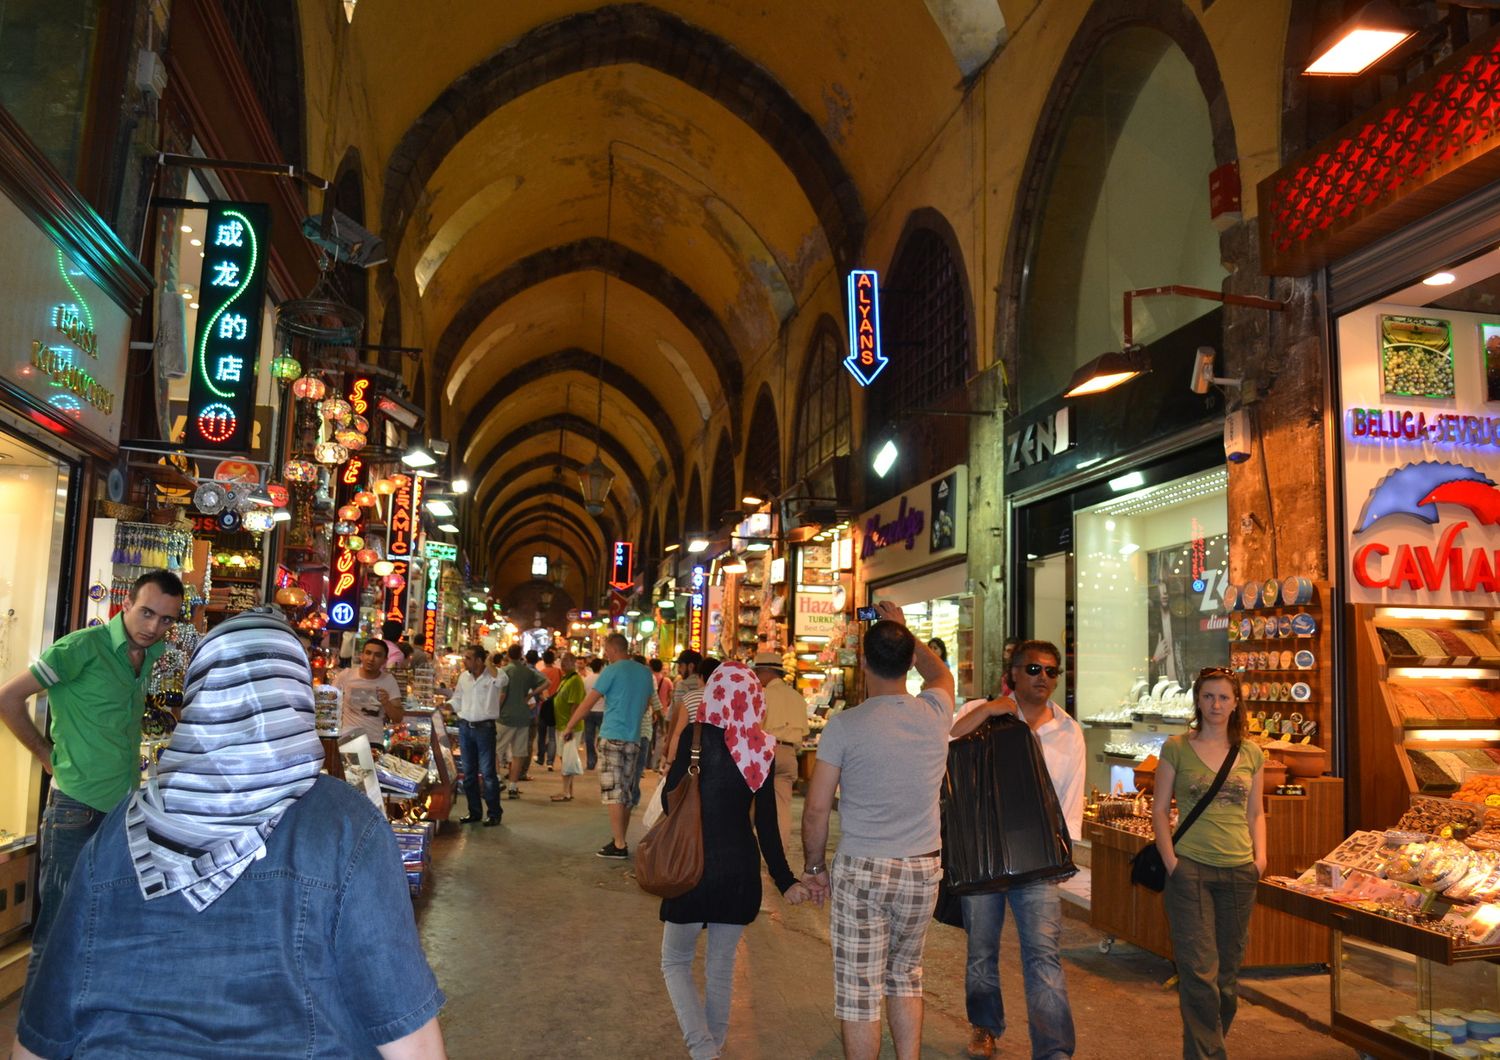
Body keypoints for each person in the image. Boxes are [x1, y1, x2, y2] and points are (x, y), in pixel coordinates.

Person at [10, 608, 446, 1059]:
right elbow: (405, 1030)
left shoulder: (121, 828)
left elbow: (44, 1030)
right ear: (296, 697)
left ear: (203, 694)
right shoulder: (346, 825)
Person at [0, 569, 183, 983]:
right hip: (74, 809)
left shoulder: (149, 656)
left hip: (122, 810)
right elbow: (8, 698)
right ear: (126, 606)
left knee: (101, 923)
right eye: (147, 613)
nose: (154, 627)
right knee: (57, 932)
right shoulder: (81, 648)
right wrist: (44, 754)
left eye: (166, 620)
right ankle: (33, 1040)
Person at [801, 601, 954, 1060]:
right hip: (922, 868)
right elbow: (941, 675)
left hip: (863, 867)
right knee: (906, 974)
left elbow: (816, 809)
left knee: (859, 986)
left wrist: (814, 866)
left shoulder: (844, 726)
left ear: (862, 662)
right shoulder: (934, 712)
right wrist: (904, 631)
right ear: (910, 662)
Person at [658, 660, 810, 1059]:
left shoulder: (696, 738)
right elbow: (767, 827)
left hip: (689, 867)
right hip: (739, 871)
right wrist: (786, 880)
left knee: (675, 961)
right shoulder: (763, 749)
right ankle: (714, 1047)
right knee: (721, 967)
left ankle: (703, 1050)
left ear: (714, 694)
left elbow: (666, 799)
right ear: (754, 699)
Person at [949, 640, 1086, 1060]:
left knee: (1044, 956)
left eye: (1050, 671)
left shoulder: (1068, 730)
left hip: (1038, 861)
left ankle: (1054, 1049)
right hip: (983, 854)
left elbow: (1069, 798)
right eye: (1032, 669)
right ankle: (985, 1028)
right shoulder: (980, 713)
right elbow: (946, 739)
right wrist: (990, 709)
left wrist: (1066, 855)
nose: (1042, 678)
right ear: (1012, 673)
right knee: (981, 951)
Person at [1153, 667, 1265, 1060]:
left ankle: (1205, 1046)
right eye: (1208, 697)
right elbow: (1159, 810)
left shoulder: (1251, 752)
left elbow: (1256, 812)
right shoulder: (1177, 747)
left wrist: (1260, 859)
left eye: (1223, 697)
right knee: (1200, 974)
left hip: (1239, 870)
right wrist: (1172, 862)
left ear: (1236, 704)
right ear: (1197, 701)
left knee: (1228, 979)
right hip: (1191, 871)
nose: (1216, 705)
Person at [561, 633, 655, 858]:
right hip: (634, 738)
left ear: (613, 649)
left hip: (612, 735)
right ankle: (618, 839)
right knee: (626, 792)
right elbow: (647, 705)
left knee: (614, 792)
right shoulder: (645, 673)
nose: (605, 653)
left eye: (606, 649)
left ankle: (620, 844)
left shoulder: (611, 671)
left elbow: (588, 703)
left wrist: (569, 727)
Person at [753, 650, 810, 855]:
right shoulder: (797, 697)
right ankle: (779, 853)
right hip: (789, 754)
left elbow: (754, 728)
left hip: (766, 752)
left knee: (753, 803)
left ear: (768, 672)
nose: (756, 677)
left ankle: (754, 849)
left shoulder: (762, 694)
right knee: (782, 806)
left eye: (758, 672)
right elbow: (804, 732)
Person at [453, 643, 505, 827]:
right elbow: (457, 698)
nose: (464, 661)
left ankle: (494, 813)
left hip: (485, 729)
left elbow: (502, 681)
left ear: (478, 660)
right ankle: (474, 811)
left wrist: (489, 662)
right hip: (466, 728)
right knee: (468, 774)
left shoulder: (493, 676)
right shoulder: (463, 677)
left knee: (488, 773)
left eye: (468, 658)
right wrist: (449, 707)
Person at [334, 639, 404, 751]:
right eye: (368, 653)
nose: (371, 659)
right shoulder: (346, 675)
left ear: (384, 660)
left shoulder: (389, 680)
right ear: (361, 656)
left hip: (374, 742)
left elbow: (398, 718)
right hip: (346, 740)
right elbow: (330, 703)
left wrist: (386, 703)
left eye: (377, 655)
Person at [498, 644, 547, 799]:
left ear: (508, 655)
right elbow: (547, 683)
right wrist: (531, 694)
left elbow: (502, 695)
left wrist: (494, 710)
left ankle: (498, 779)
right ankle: (513, 786)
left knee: (496, 749)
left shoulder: (504, 671)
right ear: (521, 655)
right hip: (523, 717)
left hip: (505, 716)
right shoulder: (528, 672)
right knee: (519, 753)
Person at [551, 653, 587, 802]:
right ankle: (568, 791)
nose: (564, 664)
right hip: (562, 724)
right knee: (565, 757)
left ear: (573, 664)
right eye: (563, 661)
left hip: (569, 726)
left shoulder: (575, 681)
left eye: (567, 661)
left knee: (567, 759)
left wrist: (570, 726)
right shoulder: (567, 678)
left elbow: (575, 705)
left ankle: (566, 792)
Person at [535, 649, 563, 769]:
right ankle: (550, 762)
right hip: (555, 705)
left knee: (541, 734)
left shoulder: (540, 673)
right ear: (553, 660)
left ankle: (541, 757)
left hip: (543, 705)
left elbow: (538, 689)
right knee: (552, 736)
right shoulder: (558, 672)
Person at [649, 657, 674, 770]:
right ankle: (654, 763)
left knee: (649, 738)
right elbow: (671, 697)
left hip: (650, 711)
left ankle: (646, 762)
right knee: (660, 738)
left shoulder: (648, 678)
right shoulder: (667, 681)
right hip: (662, 712)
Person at [583, 656, 605, 770]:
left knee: (589, 737)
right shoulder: (604, 679)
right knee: (603, 737)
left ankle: (591, 761)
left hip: (589, 711)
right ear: (602, 667)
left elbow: (584, 696)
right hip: (602, 711)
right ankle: (602, 759)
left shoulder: (586, 679)